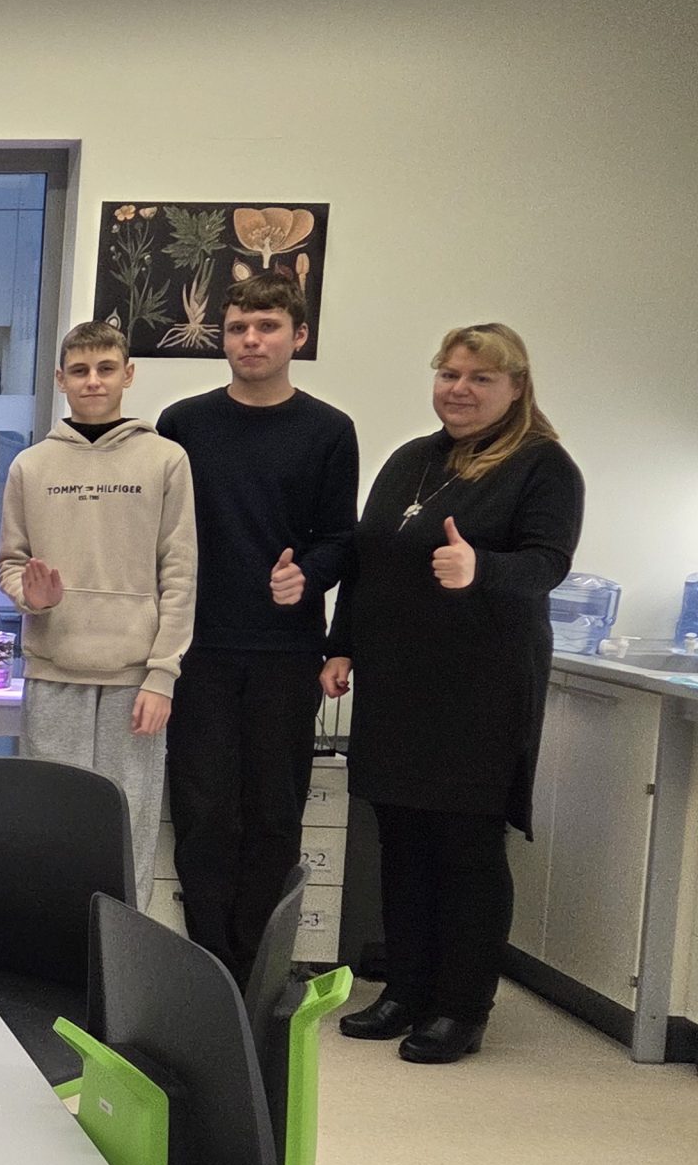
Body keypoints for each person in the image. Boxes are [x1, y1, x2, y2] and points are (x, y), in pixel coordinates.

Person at [324, 324, 582, 1064]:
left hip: (482, 685)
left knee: (465, 844)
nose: (459, 390)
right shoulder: (412, 458)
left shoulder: (543, 466)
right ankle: (405, 990)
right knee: (401, 839)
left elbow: (548, 563)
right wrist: (341, 644)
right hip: (398, 681)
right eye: (449, 374)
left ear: (516, 387)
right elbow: (367, 561)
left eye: (480, 378)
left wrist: (481, 570)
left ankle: (461, 1008)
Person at [156, 274, 359, 980]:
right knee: (204, 813)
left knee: (273, 814)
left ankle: (257, 972)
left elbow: (341, 539)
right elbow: (158, 533)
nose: (251, 340)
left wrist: (309, 575)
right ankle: (208, 966)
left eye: (267, 326)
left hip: (285, 651)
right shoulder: (183, 424)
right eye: (239, 327)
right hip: (198, 649)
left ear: (298, 336)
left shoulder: (329, 430)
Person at [0, 321, 196, 900]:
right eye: (80, 371)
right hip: (53, 671)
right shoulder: (31, 465)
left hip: (134, 682)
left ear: (128, 375)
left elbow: (179, 573)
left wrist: (162, 675)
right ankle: (50, 943)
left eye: (106, 369)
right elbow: (10, 563)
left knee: (125, 825)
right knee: (51, 822)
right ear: (61, 379)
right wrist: (29, 596)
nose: (93, 381)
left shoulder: (166, 459)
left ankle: (119, 943)